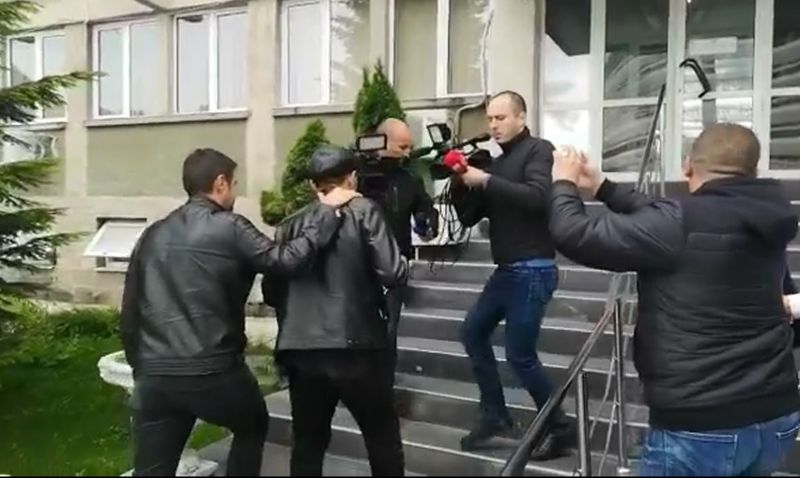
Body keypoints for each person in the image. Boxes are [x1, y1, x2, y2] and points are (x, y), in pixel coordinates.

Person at [549, 123, 800, 477]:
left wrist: (563, 182)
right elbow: (670, 218)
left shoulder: (679, 221)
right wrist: (603, 187)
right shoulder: (767, 215)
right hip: (776, 414)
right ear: (753, 170)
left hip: (700, 422)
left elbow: (574, 233)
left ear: (687, 166)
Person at [120, 148, 358, 476]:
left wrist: (142, 368)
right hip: (212, 369)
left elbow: (130, 309)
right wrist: (325, 215)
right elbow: (285, 261)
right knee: (253, 424)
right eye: (233, 184)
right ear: (220, 183)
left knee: (152, 469)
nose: (234, 191)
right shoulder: (229, 226)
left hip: (154, 375)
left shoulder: (153, 233)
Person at [263, 146, 408, 477]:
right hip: (358, 347)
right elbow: (393, 272)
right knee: (382, 438)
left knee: (308, 443)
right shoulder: (365, 210)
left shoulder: (289, 225)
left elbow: (272, 293)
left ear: (313, 185)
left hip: (302, 350)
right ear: (352, 178)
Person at [450, 90, 573, 459]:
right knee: (473, 332)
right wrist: (460, 181)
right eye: (490, 119)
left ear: (521, 117)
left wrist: (485, 180)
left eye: (501, 118)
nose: (494, 125)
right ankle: (495, 417)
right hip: (507, 271)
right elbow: (469, 217)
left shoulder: (539, 150)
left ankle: (559, 426)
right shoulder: (497, 164)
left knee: (520, 355)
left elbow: (537, 197)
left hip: (533, 269)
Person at [362, 118, 440, 373]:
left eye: (410, 147)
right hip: (357, 267)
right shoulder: (357, 175)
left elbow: (426, 208)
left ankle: (384, 386)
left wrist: (427, 222)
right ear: (381, 142)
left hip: (394, 268)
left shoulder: (409, 179)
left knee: (388, 334)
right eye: (402, 147)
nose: (407, 153)